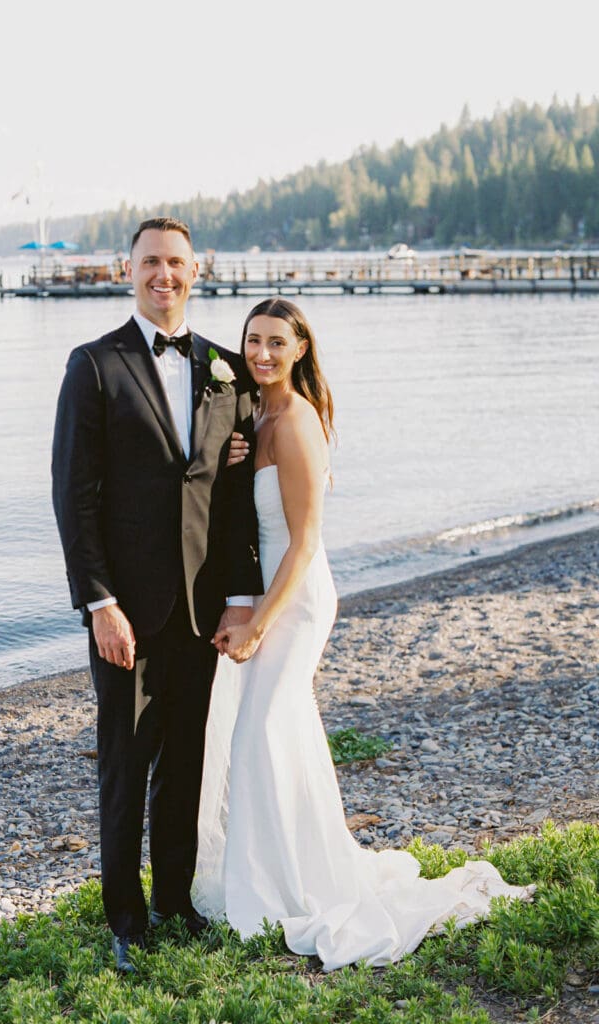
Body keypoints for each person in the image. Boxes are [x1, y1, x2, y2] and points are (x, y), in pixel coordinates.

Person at [194, 298, 533, 971]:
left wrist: (259, 624)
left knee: (264, 731)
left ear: (299, 349)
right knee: (269, 735)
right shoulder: (256, 415)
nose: (261, 354)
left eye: (275, 343)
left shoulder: (295, 423)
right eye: (252, 341)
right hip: (270, 597)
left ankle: (293, 887)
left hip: (298, 600)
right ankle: (278, 878)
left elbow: (304, 541)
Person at [51, 217, 262, 973]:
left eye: (175, 262)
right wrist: (99, 602)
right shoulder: (94, 366)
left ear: (195, 271)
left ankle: (174, 900)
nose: (162, 275)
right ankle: (125, 919)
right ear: (127, 270)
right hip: (128, 615)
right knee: (125, 763)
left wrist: (243, 596)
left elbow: (237, 500)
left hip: (203, 612)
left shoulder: (228, 369)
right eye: (150, 263)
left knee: (186, 764)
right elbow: (73, 495)